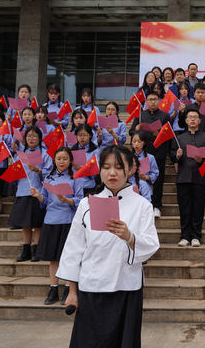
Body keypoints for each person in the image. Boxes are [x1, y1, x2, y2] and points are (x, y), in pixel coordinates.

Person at [57, 145, 159, 347]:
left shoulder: (142, 205)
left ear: (131, 169)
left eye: (119, 167)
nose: (112, 173)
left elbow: (151, 244)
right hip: (91, 287)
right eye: (106, 167)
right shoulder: (86, 204)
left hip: (126, 288)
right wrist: (72, 291)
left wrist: (129, 237)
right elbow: (73, 248)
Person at [31, 146, 83, 305]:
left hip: (68, 220)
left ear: (70, 160)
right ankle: (53, 288)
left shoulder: (76, 178)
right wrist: (38, 195)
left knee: (67, 257)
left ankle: (68, 288)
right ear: (54, 160)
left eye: (65, 159)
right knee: (52, 258)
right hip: (50, 220)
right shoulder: (48, 177)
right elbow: (45, 200)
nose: (61, 162)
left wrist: (66, 200)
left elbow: (80, 200)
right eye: (59, 159)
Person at [170, 108, 205, 247]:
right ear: (186, 120)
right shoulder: (179, 138)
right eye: (190, 117)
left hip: (199, 178)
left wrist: (202, 161)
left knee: (198, 208)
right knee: (184, 209)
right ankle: (185, 236)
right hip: (183, 178)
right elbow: (172, 156)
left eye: (195, 117)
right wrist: (177, 155)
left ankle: (196, 236)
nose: (193, 119)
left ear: (200, 120)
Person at [8, 126, 52, 262]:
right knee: (25, 223)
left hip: (38, 192)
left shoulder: (45, 154)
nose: (31, 139)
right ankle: (25, 249)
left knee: (37, 223)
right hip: (23, 191)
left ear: (39, 138)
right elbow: (14, 173)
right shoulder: (20, 155)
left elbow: (50, 174)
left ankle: (36, 250)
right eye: (28, 136)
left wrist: (38, 170)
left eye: (34, 136)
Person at [129, 90, 171, 217]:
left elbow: (169, 135)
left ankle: (156, 206)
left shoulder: (164, 116)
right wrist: (136, 130)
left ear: (159, 101)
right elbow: (131, 132)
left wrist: (158, 134)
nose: (153, 102)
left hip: (158, 153)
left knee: (158, 180)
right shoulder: (141, 115)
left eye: (155, 99)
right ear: (146, 102)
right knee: (139, 179)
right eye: (150, 100)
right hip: (142, 153)